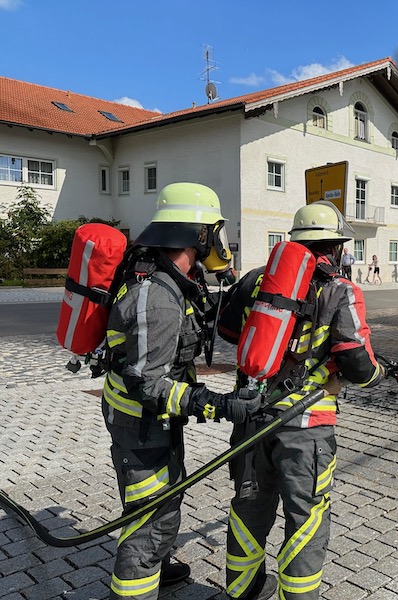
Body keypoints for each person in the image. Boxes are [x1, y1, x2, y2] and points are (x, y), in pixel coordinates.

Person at [102, 182, 262, 600]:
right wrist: (219, 405)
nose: (218, 242)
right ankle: (136, 584)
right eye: (215, 231)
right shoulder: (158, 297)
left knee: (162, 501)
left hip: (153, 419)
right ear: (199, 234)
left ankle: (155, 566)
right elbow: (149, 384)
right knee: (150, 522)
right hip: (139, 423)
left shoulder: (171, 280)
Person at [222, 201, 385, 600]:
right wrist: (379, 373)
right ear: (335, 247)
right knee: (306, 518)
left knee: (249, 505)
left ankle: (244, 591)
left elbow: (227, 332)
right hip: (305, 427)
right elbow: (358, 365)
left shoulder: (257, 279)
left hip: (251, 418)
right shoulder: (340, 289)